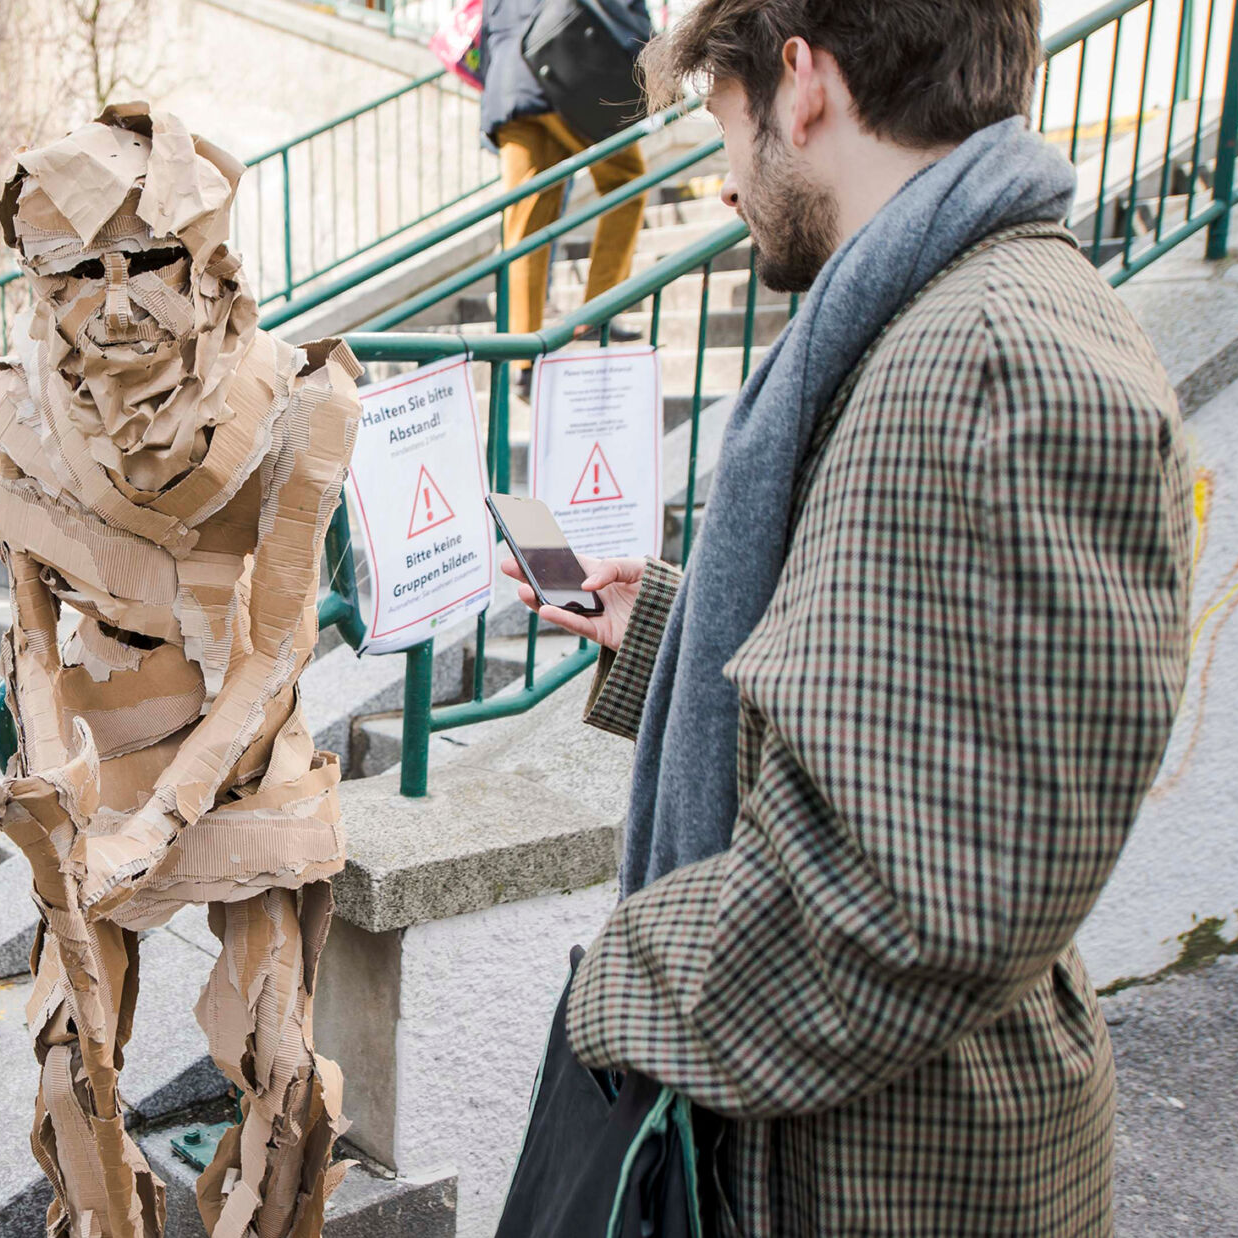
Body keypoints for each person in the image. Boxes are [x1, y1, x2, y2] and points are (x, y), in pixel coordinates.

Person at [506, 1, 1194, 1233]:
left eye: (724, 128)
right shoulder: (929, 317)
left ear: (802, 85)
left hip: (901, 1173)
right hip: (859, 1143)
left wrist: (619, 978)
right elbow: (922, 692)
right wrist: (669, 637)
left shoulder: (994, 364)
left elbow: (934, 889)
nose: (724, 182)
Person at [476, 0, 655, 345]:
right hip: (567, 71)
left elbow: (487, 38)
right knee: (627, 181)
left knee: (526, 224)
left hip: (511, 89)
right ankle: (597, 313)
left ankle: (522, 351)